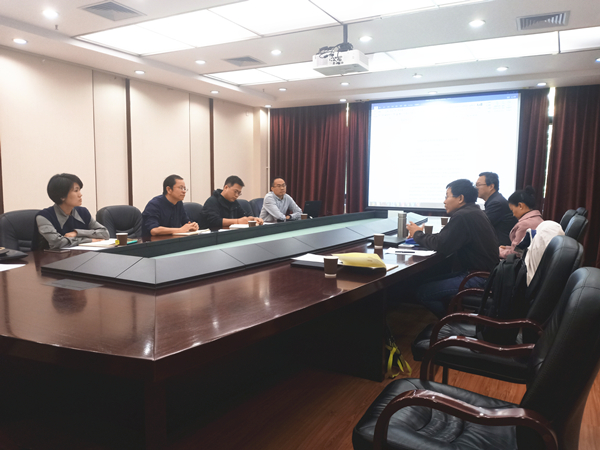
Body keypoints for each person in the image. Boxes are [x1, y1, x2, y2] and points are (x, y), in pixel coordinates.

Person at [406, 179, 499, 319]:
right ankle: (453, 318)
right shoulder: (473, 212)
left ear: (460, 198)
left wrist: (417, 234)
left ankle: (451, 323)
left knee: (423, 292)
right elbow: (445, 239)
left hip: (479, 278)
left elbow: (441, 244)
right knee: (425, 282)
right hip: (484, 274)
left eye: (447, 196)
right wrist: (422, 235)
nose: (444, 201)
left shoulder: (463, 215)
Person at [33, 173, 109, 250]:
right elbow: (57, 243)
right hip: (50, 257)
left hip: (80, 255)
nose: (80, 195)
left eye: (79, 190)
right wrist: (89, 240)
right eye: (76, 191)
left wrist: (76, 233)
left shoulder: (83, 212)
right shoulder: (44, 217)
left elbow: (105, 233)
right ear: (62, 196)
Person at [199, 175, 263, 230]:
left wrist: (254, 219)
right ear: (226, 187)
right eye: (235, 191)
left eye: (239, 193)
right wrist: (237, 221)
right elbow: (214, 221)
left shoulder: (234, 202)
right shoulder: (212, 201)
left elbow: (243, 216)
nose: (237, 195)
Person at [499, 186, 543, 259]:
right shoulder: (538, 219)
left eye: (512, 210)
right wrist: (507, 248)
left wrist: (498, 251)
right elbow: (525, 248)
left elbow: (517, 253)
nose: (513, 214)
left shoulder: (524, 225)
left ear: (520, 206)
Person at [476, 172, 517, 246]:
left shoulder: (496, 203)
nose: (476, 188)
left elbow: (481, 225)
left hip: (501, 247)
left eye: (479, 185)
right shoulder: (495, 200)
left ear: (491, 186)